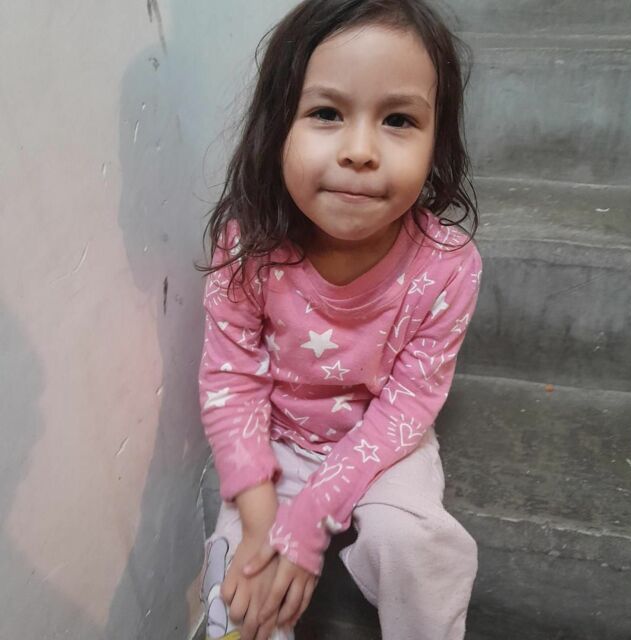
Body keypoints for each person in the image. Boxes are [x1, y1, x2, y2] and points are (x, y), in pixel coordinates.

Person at [196, 1, 482, 639]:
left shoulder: (447, 267)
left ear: (437, 142)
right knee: (237, 588)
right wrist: (263, 520)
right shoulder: (247, 248)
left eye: (399, 119)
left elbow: (407, 407)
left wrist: (309, 523)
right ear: (278, 125)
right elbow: (230, 381)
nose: (359, 151)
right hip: (277, 438)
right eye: (327, 113)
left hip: (383, 445)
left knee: (415, 543)